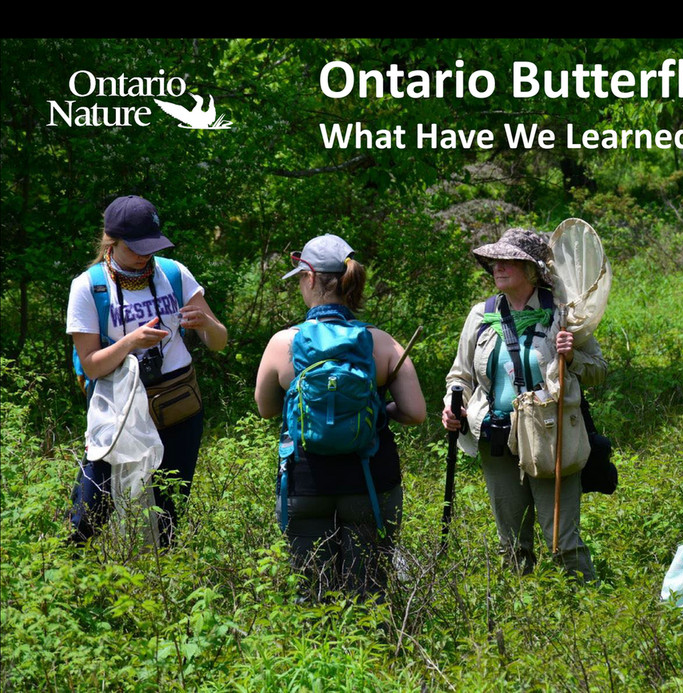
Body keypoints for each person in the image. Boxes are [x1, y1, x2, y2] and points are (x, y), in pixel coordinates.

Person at [255, 234, 425, 599]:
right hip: (370, 480)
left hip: (305, 481)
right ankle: (375, 652)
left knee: (313, 591)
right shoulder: (382, 342)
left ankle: (318, 652)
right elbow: (415, 412)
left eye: (300, 278)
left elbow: (266, 408)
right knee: (369, 589)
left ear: (311, 278)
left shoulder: (283, 343)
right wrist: (378, 410)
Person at [442, 228, 607, 581]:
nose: (496, 267)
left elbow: (598, 371)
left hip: (549, 436)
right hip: (495, 435)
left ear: (531, 270)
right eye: (494, 261)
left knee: (561, 540)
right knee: (512, 542)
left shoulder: (564, 315)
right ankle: (521, 614)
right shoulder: (481, 315)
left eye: (508, 261)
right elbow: (460, 376)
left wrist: (572, 355)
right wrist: (452, 405)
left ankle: (586, 608)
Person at [67, 195, 227, 545]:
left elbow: (219, 341)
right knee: (88, 514)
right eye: (136, 247)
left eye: (151, 246)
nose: (145, 255)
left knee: (167, 516)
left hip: (179, 409)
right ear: (113, 240)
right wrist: (130, 343)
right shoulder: (89, 286)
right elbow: (92, 366)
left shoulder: (174, 273)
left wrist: (208, 325)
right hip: (121, 413)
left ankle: (157, 585)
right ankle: (75, 580)